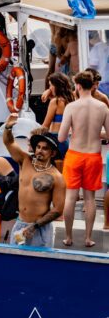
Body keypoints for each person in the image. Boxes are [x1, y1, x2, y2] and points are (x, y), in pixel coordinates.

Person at [58, 70, 109, 247]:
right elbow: (108, 135)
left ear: (78, 86)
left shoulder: (71, 107)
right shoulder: (103, 107)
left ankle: (68, 237)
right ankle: (88, 238)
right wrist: (95, 133)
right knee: (90, 199)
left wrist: (74, 131)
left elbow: (61, 138)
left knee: (70, 197)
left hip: (74, 156)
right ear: (93, 85)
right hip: (93, 156)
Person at [3, 116, 65, 248]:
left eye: (45, 148)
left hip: (39, 229)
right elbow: (9, 143)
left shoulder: (57, 177)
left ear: (52, 153)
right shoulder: (25, 161)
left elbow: (58, 210)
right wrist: (8, 127)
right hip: (20, 224)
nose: (40, 151)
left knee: (38, 267)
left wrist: (35, 226)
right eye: (38, 147)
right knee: (15, 263)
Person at [41, 72, 75, 158]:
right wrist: (49, 90)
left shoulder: (55, 102)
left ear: (57, 86)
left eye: (51, 85)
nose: (50, 88)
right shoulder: (71, 99)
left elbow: (45, 126)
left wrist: (35, 139)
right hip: (66, 140)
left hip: (55, 140)